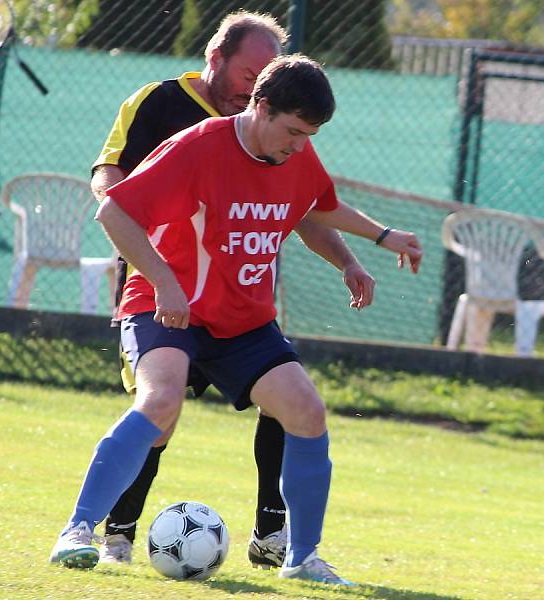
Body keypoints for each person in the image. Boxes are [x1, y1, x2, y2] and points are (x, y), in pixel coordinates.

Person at [50, 54, 422, 586]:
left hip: (242, 320)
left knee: (307, 412)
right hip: (169, 308)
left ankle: (302, 557)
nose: (299, 145)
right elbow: (113, 211)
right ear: (260, 107)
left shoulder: (294, 154)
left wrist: (376, 242)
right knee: (159, 402)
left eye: (308, 135)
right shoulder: (199, 145)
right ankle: (78, 531)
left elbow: (315, 207)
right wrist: (165, 281)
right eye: (293, 131)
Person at [89, 11, 375, 567]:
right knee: (158, 410)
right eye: (250, 72)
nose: (257, 83)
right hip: (164, 289)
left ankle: (276, 537)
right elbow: (110, 181)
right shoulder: (166, 109)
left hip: (238, 304)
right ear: (215, 58)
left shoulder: (278, 137)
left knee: (288, 405)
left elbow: (308, 209)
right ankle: (113, 534)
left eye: (267, 73)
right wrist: (151, 240)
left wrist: (358, 253)